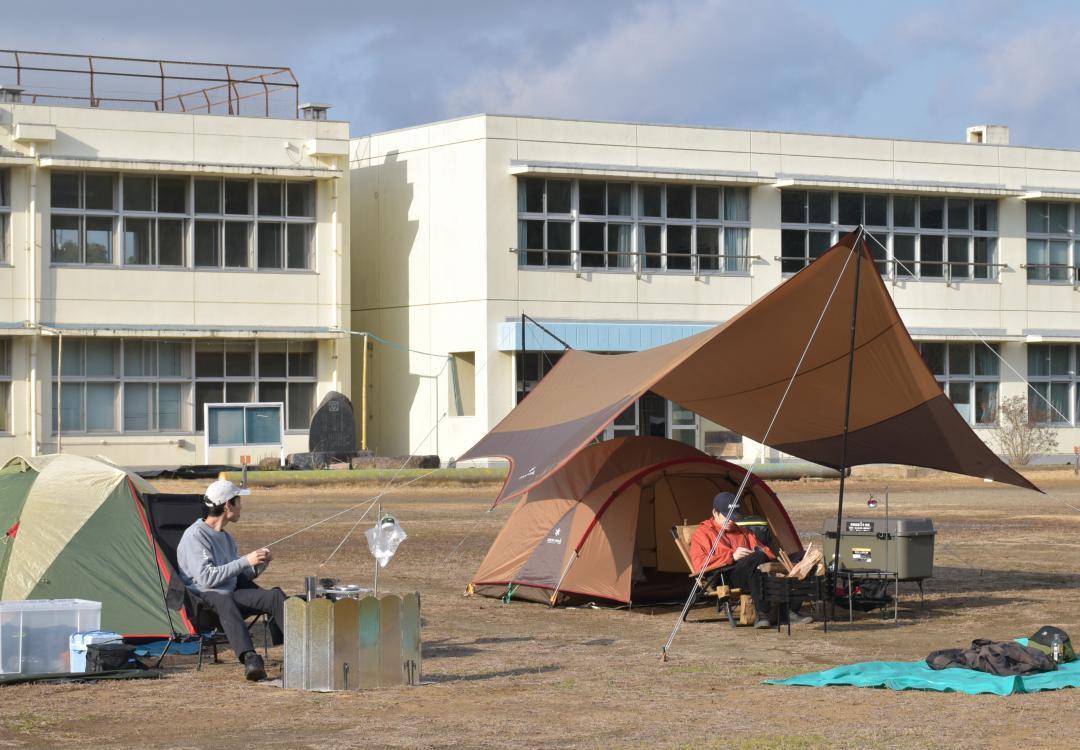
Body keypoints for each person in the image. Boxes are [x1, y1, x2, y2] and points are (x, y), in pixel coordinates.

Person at [177, 479, 286, 681]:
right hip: (205, 601)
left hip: (230, 595)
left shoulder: (226, 538)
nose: (241, 507)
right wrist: (245, 560)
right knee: (224, 599)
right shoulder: (195, 536)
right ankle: (250, 659)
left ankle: (298, 650)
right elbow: (206, 578)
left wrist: (259, 563)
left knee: (275, 596)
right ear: (228, 505)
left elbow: (236, 574)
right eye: (239, 501)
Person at [689, 491, 812, 629]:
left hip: (755, 568)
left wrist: (760, 551)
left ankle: (790, 611)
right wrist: (732, 556)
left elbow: (766, 552)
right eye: (727, 516)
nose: (731, 521)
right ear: (715, 513)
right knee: (756, 559)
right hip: (725, 575)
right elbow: (700, 564)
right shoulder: (703, 533)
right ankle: (762, 614)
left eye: (734, 517)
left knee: (804, 556)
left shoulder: (743, 530)